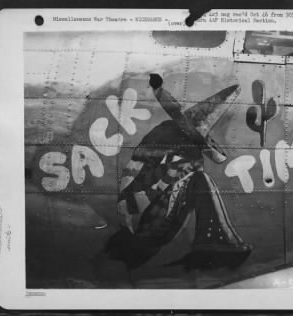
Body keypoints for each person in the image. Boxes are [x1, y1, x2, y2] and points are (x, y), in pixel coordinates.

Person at [104, 74, 252, 270]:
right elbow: (132, 188)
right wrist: (167, 177)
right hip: (148, 216)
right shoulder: (160, 145)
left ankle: (217, 243)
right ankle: (216, 244)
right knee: (200, 181)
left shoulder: (192, 166)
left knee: (202, 181)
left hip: (168, 212)